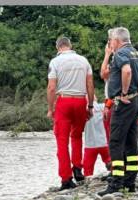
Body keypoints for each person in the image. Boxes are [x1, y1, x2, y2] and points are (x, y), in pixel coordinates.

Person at [98, 27, 138, 196]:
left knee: (116, 141)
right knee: (131, 141)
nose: (110, 44)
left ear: (117, 41)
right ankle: (130, 181)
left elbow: (127, 70)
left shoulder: (120, 54)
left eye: (111, 41)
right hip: (136, 100)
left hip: (124, 102)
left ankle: (116, 182)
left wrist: (124, 91)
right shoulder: (137, 54)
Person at [46, 36, 95, 190]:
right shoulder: (83, 60)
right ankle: (78, 169)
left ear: (58, 47)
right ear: (70, 45)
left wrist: (50, 108)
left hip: (64, 101)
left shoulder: (55, 62)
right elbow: (90, 84)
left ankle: (66, 178)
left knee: (62, 140)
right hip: (81, 101)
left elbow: (52, 88)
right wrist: (91, 105)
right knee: (77, 136)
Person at [82, 98, 111, 177]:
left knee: (87, 169)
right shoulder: (103, 106)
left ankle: (87, 183)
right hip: (104, 142)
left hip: (90, 145)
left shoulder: (82, 109)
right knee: (110, 162)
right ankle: (113, 175)